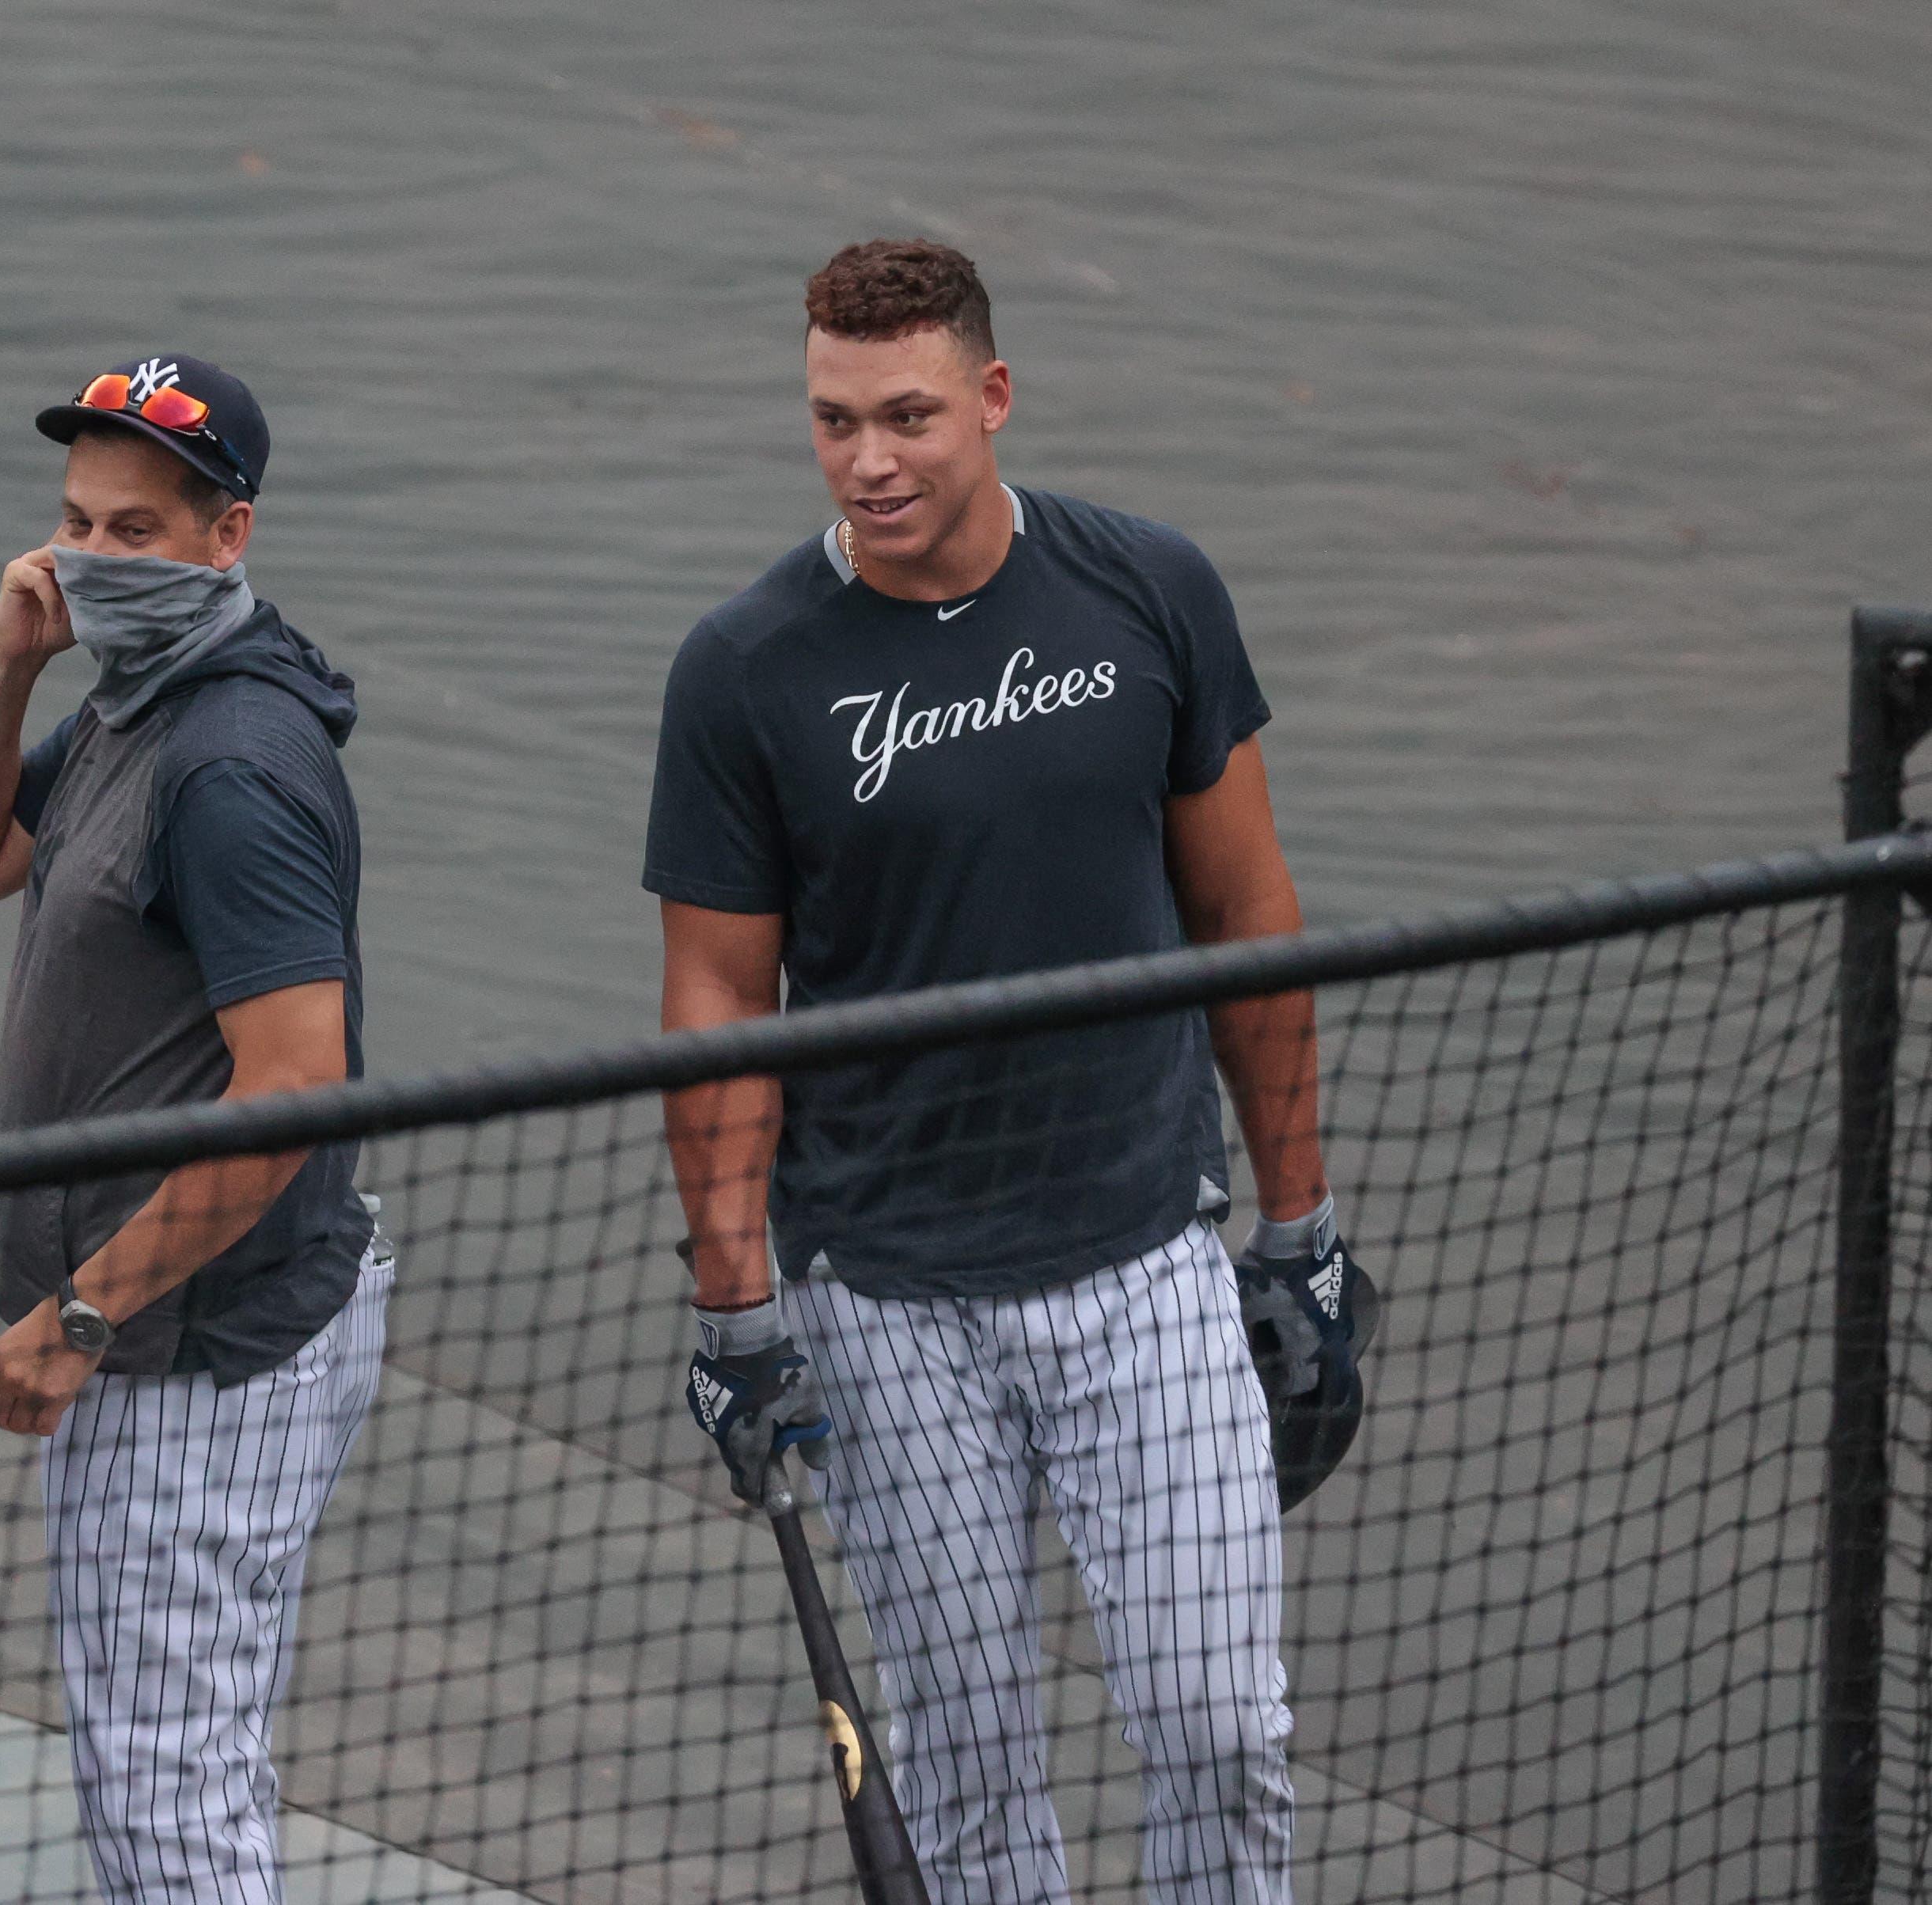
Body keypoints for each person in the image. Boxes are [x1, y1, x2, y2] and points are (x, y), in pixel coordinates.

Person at [643, 240, 1373, 1903]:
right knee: (968, 1777)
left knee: (1220, 1726)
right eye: (834, 421)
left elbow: (1249, 915)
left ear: (992, 395)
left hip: (1146, 1264)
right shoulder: (747, 671)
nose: (870, 460)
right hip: (883, 1303)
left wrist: (1300, 1225)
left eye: (907, 415)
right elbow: (713, 1004)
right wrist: (735, 1308)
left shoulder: (1149, 588)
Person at [0, 351, 389, 1904]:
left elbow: (298, 1086)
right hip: (162, 1324)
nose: (90, 562)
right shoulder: (138, 702)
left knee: (163, 1787)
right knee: (173, 1759)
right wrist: (11, 660)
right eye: (76, 525)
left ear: (226, 537)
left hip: (192, 1346)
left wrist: (87, 1312)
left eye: (135, 533)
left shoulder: (231, 768)